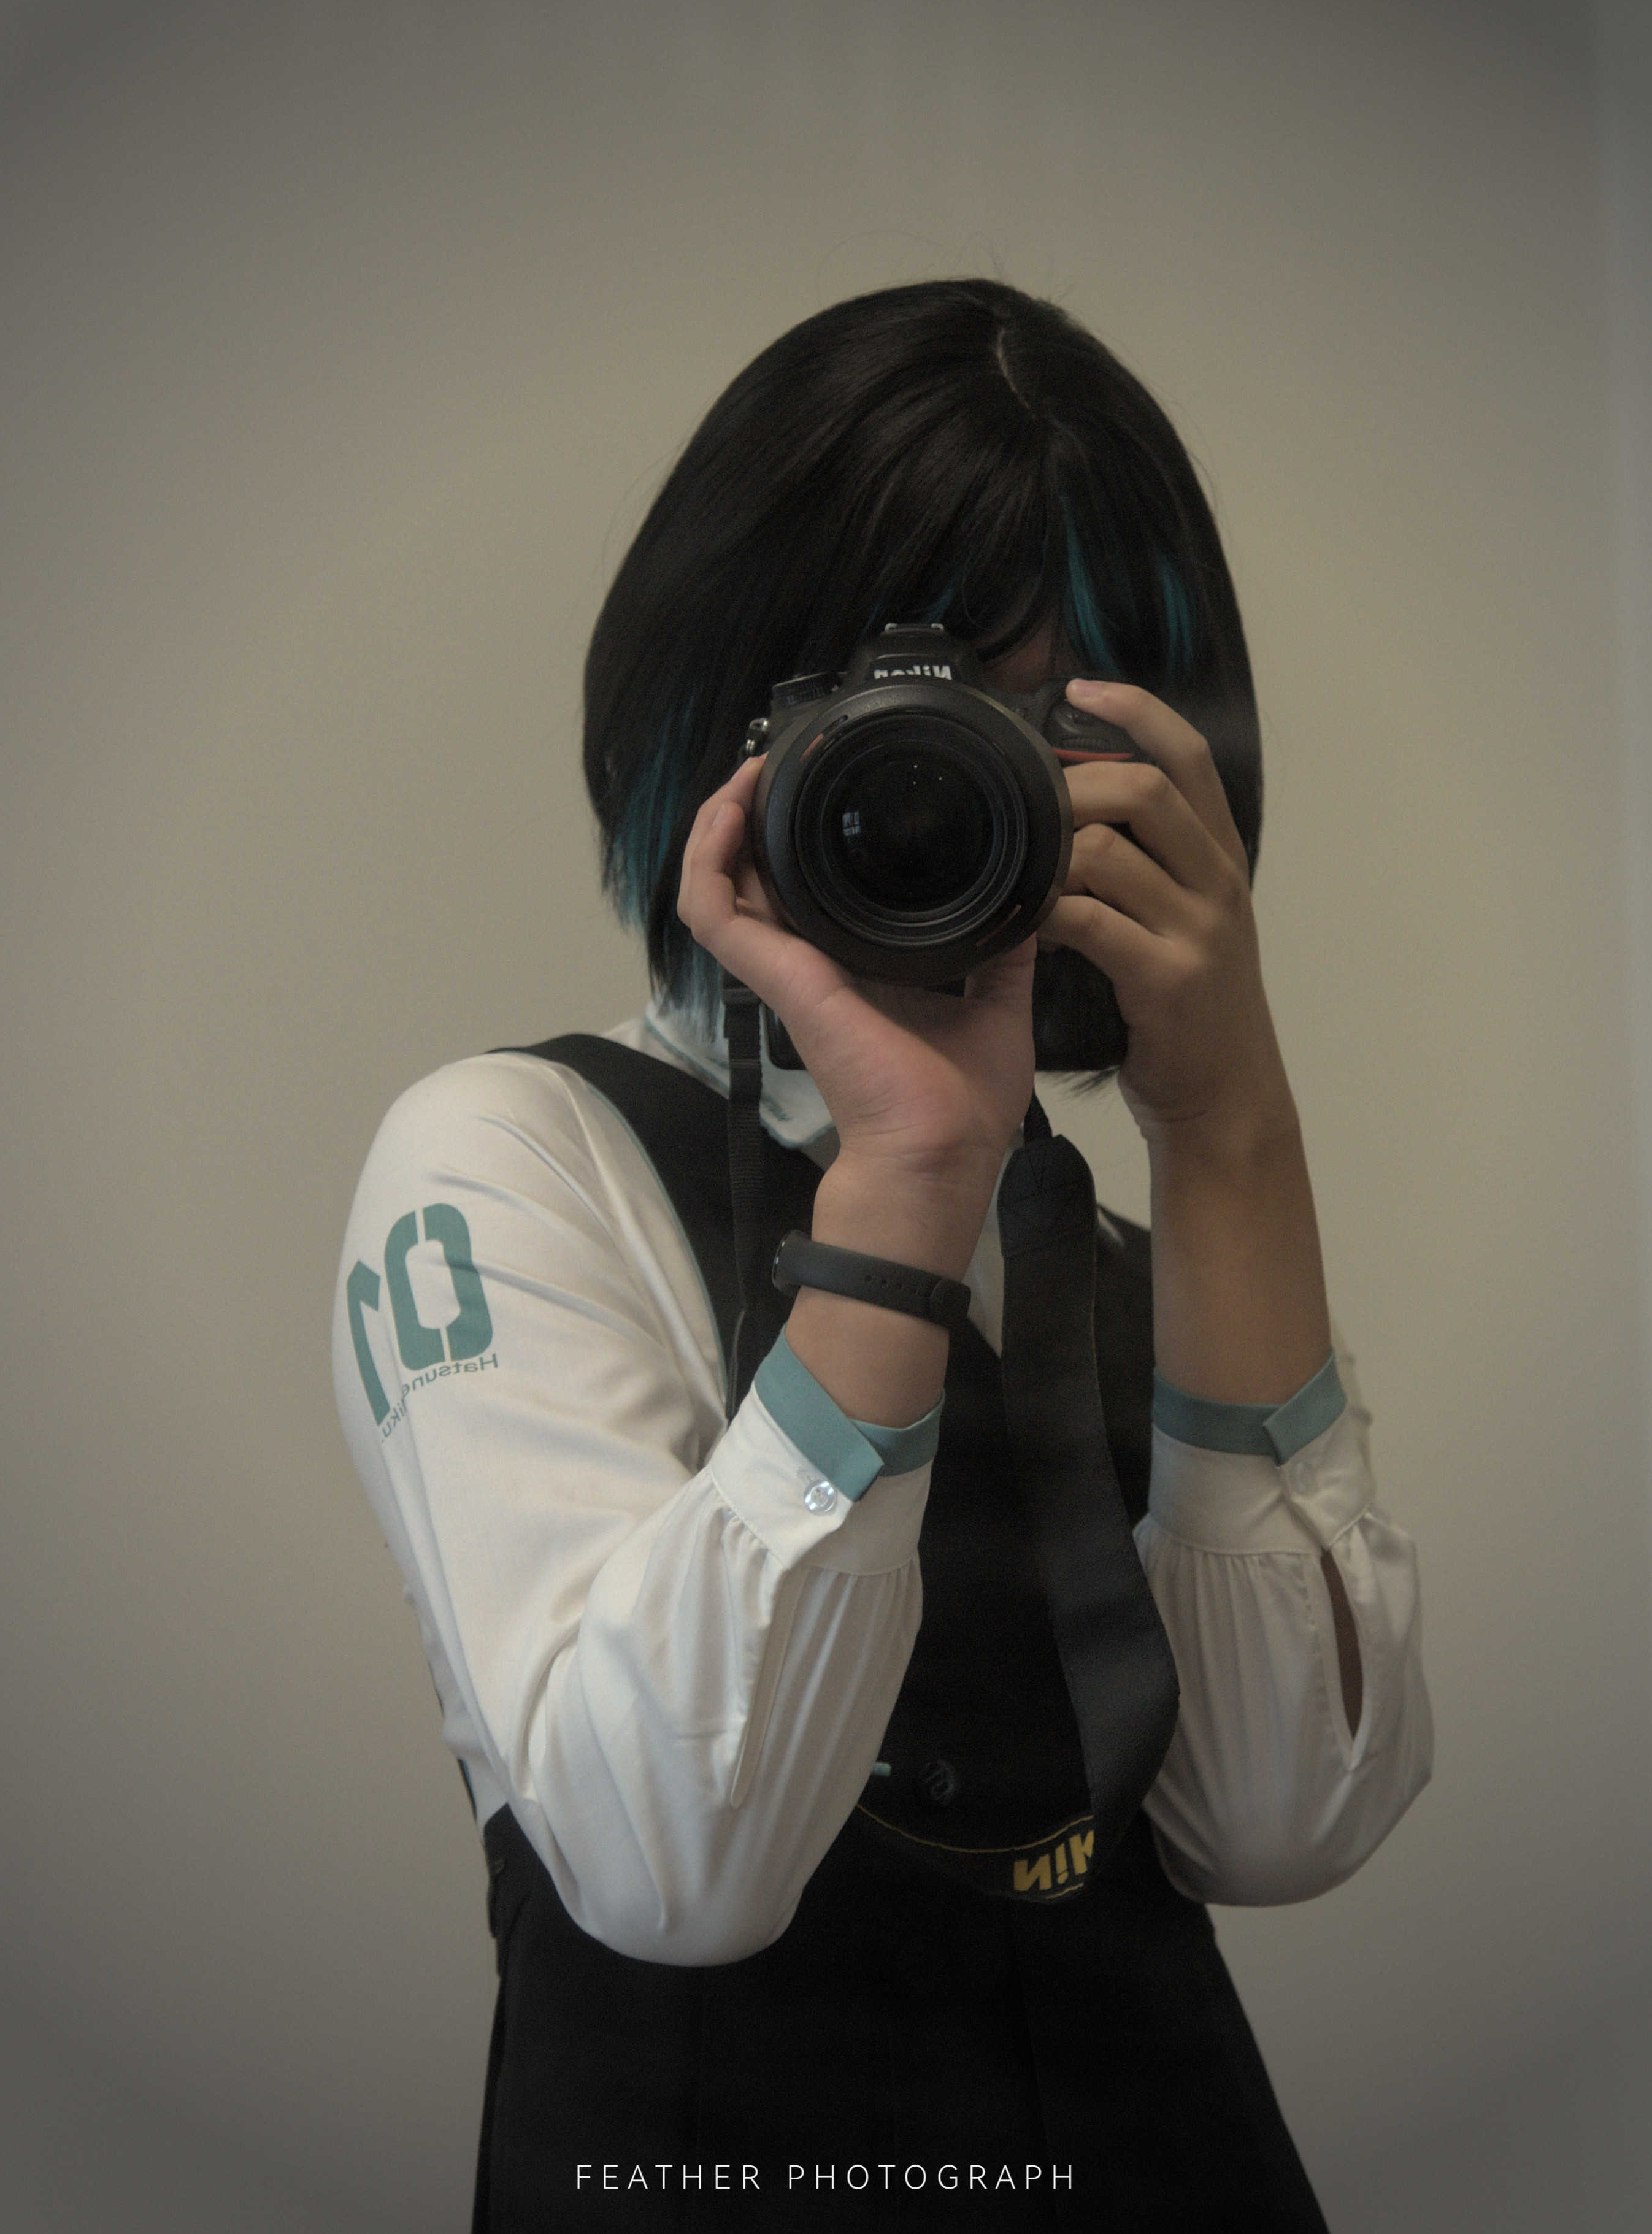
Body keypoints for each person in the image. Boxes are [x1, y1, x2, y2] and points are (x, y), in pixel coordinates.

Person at [331, 280, 1432, 2228]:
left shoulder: (1111, 1243)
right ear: (714, 713)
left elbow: (1285, 1826)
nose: (938, 787)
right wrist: (908, 1176)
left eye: (1026, 729)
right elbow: (676, 1871)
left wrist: (1233, 1131)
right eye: (879, 717)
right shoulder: (515, 1160)